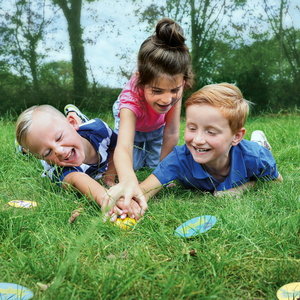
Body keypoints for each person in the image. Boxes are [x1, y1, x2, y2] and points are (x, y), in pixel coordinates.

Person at [121, 83, 283, 216]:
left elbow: (276, 180)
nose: (197, 140)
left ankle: (260, 141)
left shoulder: (255, 158)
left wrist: (242, 187)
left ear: (236, 136)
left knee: (259, 148)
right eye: (192, 128)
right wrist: (131, 205)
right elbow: (144, 190)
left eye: (211, 132)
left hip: (254, 149)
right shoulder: (180, 158)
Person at [105, 17, 194, 217]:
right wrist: (129, 180)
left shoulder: (174, 91)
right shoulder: (130, 100)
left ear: (183, 81)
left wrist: (163, 172)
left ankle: (149, 153)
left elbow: (171, 132)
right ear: (142, 83)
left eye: (174, 90)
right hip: (134, 127)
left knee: (155, 165)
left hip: (156, 127)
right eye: (157, 90)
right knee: (129, 166)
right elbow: (124, 147)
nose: (166, 99)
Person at [15, 104, 121, 213]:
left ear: (72, 123)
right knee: (29, 148)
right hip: (43, 152)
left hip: (81, 128)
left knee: (80, 126)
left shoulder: (99, 129)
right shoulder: (58, 168)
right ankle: (23, 148)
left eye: (59, 137)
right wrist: (106, 198)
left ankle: (78, 116)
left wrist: (109, 177)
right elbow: (77, 179)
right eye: (48, 152)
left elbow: (117, 147)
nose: (59, 151)